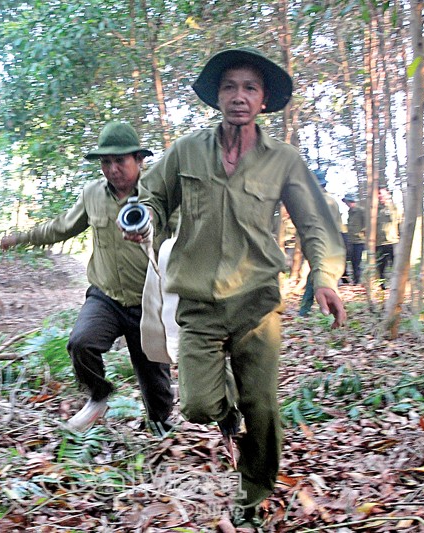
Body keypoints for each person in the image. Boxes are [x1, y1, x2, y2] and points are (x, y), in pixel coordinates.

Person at [123, 47, 346, 525]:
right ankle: (226, 413)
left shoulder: (283, 160)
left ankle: (251, 497)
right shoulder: (187, 151)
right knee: (197, 405)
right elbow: (153, 196)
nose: (239, 96)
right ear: (217, 96)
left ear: (263, 100)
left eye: (250, 88)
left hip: (256, 302)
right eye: (229, 87)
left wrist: (324, 277)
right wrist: (145, 221)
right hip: (199, 301)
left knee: (261, 407)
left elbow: (315, 223)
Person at [0, 121, 174, 436]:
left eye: (120, 160)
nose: (113, 169)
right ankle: (98, 396)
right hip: (106, 295)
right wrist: (20, 238)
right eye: (106, 162)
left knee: (154, 380)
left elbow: (187, 237)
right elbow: (61, 227)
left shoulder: (159, 194)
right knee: (81, 343)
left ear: (139, 160)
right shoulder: (92, 194)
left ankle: (159, 431)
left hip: (148, 301)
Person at [298, 169, 342, 316]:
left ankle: (306, 309)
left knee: (317, 275)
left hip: (322, 243)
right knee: (319, 274)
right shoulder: (329, 200)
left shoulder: (321, 201)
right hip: (328, 243)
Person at [376, 186, 400, 289]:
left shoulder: (394, 208)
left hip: (392, 242)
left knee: (395, 266)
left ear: (387, 195)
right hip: (379, 243)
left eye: (382, 194)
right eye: (378, 194)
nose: (380, 196)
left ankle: (396, 287)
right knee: (380, 268)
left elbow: (400, 223)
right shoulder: (374, 209)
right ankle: (382, 288)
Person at [342, 193, 365, 284]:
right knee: (352, 261)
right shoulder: (350, 212)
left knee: (357, 262)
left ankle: (358, 281)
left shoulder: (360, 211)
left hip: (359, 241)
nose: (346, 204)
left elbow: (366, 223)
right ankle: (355, 280)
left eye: (347, 202)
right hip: (351, 241)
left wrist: (362, 233)